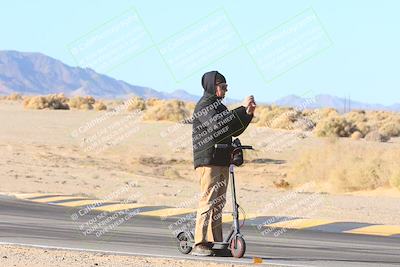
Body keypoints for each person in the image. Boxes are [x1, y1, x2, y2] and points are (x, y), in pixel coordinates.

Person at [191, 70, 256, 256]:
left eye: (227, 87)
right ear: (213, 86)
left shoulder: (219, 107)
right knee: (208, 200)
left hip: (222, 159)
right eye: (223, 87)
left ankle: (216, 243)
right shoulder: (203, 106)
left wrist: (247, 113)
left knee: (219, 202)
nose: (225, 90)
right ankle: (200, 243)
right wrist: (240, 108)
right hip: (208, 160)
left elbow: (234, 130)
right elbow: (218, 126)